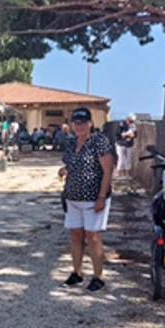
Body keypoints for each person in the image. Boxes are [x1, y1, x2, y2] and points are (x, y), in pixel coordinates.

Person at [58, 107, 115, 292]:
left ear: (90, 123)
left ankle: (98, 276)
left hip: (93, 199)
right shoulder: (71, 141)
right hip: (73, 197)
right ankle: (77, 272)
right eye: (76, 123)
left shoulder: (99, 141)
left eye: (83, 122)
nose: (79, 126)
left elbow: (108, 170)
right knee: (75, 235)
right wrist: (64, 171)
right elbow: (70, 164)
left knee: (93, 237)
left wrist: (101, 196)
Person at [115, 114, 137, 178]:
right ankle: (119, 173)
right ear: (127, 119)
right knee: (121, 158)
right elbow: (118, 133)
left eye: (132, 121)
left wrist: (133, 134)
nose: (131, 122)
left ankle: (127, 173)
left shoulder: (133, 125)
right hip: (121, 144)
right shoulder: (121, 124)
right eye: (130, 121)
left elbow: (135, 135)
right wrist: (126, 135)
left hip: (129, 144)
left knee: (128, 159)